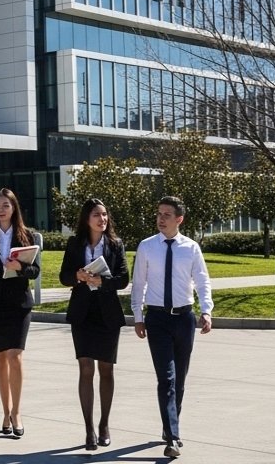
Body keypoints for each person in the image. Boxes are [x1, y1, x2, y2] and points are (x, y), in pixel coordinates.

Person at [132, 196, 213, 459]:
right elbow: (139, 284)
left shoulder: (191, 248)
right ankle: (173, 436)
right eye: (159, 214)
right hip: (157, 319)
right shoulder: (147, 246)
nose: (161, 218)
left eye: (167, 215)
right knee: (166, 378)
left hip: (184, 318)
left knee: (179, 379)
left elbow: (202, 280)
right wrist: (138, 316)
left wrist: (207, 310)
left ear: (179, 219)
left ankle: (170, 425)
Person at [60, 197, 130, 451]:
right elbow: (63, 276)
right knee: (86, 369)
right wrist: (77, 276)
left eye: (104, 215)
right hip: (82, 314)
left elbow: (123, 278)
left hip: (107, 314)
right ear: (86, 219)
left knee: (106, 370)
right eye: (97, 215)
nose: (102, 219)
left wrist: (103, 282)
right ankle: (88, 428)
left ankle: (104, 424)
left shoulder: (115, 244)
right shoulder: (74, 244)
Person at [0, 188, 41, 438]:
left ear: (14, 208)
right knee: (1, 357)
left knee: (15, 356)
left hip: (19, 302)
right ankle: (5, 412)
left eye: (5, 205)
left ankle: (17, 412)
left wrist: (20, 266)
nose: (1, 210)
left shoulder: (27, 234)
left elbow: (35, 271)